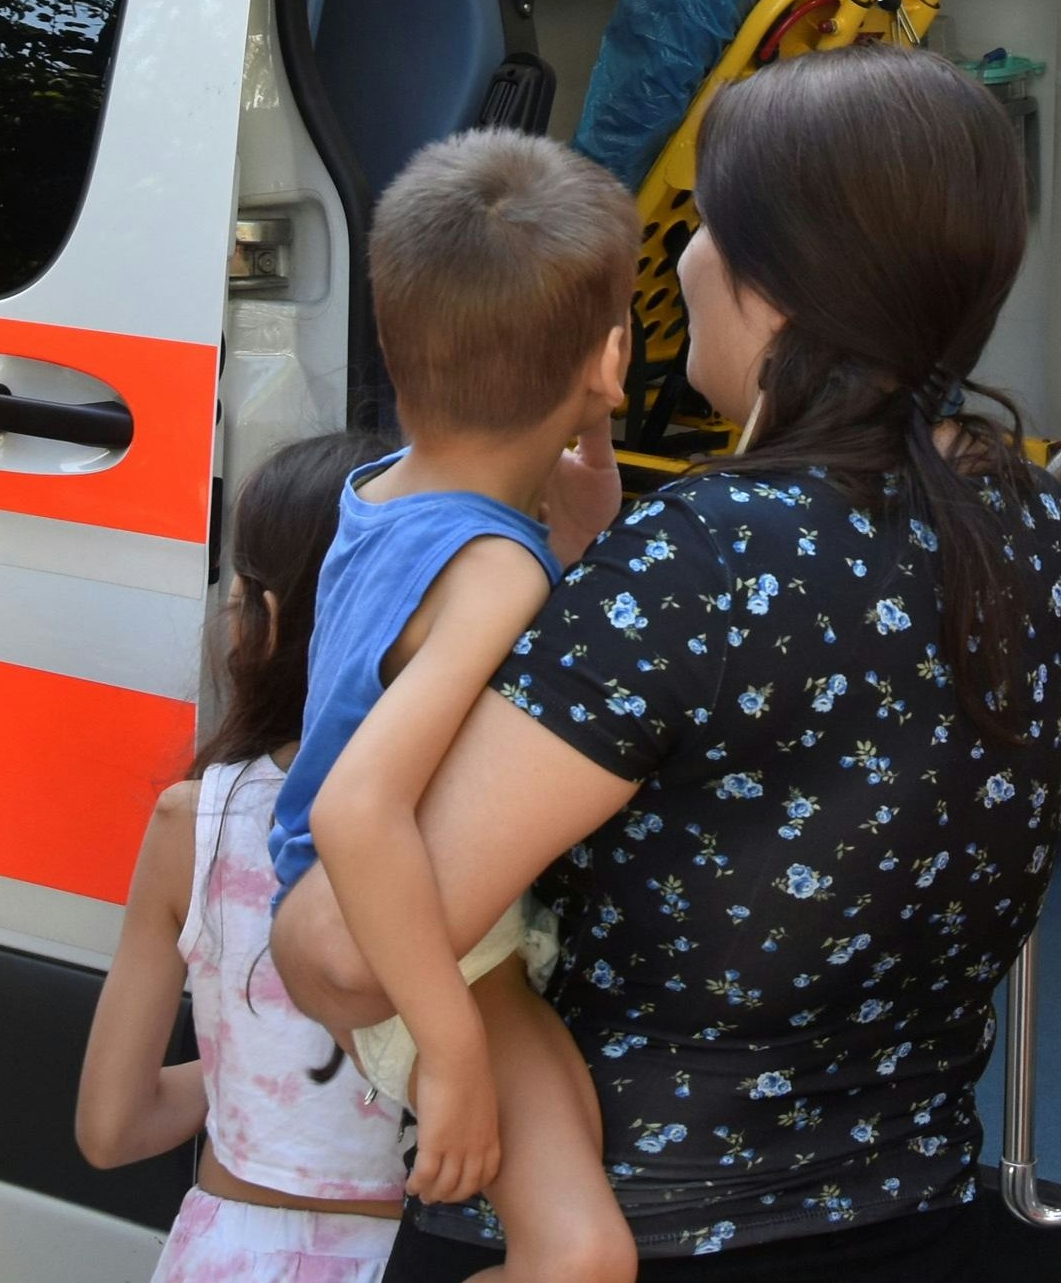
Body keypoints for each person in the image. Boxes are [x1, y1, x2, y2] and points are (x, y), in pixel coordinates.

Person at [273, 43, 1061, 1283]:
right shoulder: (1035, 527)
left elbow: (345, 949)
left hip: (639, 1231)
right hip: (919, 1221)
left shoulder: (703, 560)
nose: (683, 260)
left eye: (704, 226)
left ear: (780, 290)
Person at [273, 132, 641, 1283]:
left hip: (408, 923)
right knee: (578, 1258)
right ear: (610, 361)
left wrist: (572, 519)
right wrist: (449, 1048)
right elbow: (357, 809)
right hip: (444, 953)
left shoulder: (377, 495)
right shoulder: (495, 568)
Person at [80, 428, 411, 1283]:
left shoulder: (195, 822)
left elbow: (114, 1129)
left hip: (237, 1251)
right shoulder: (489, 820)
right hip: (417, 1252)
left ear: (259, 618)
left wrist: (247, 1061)